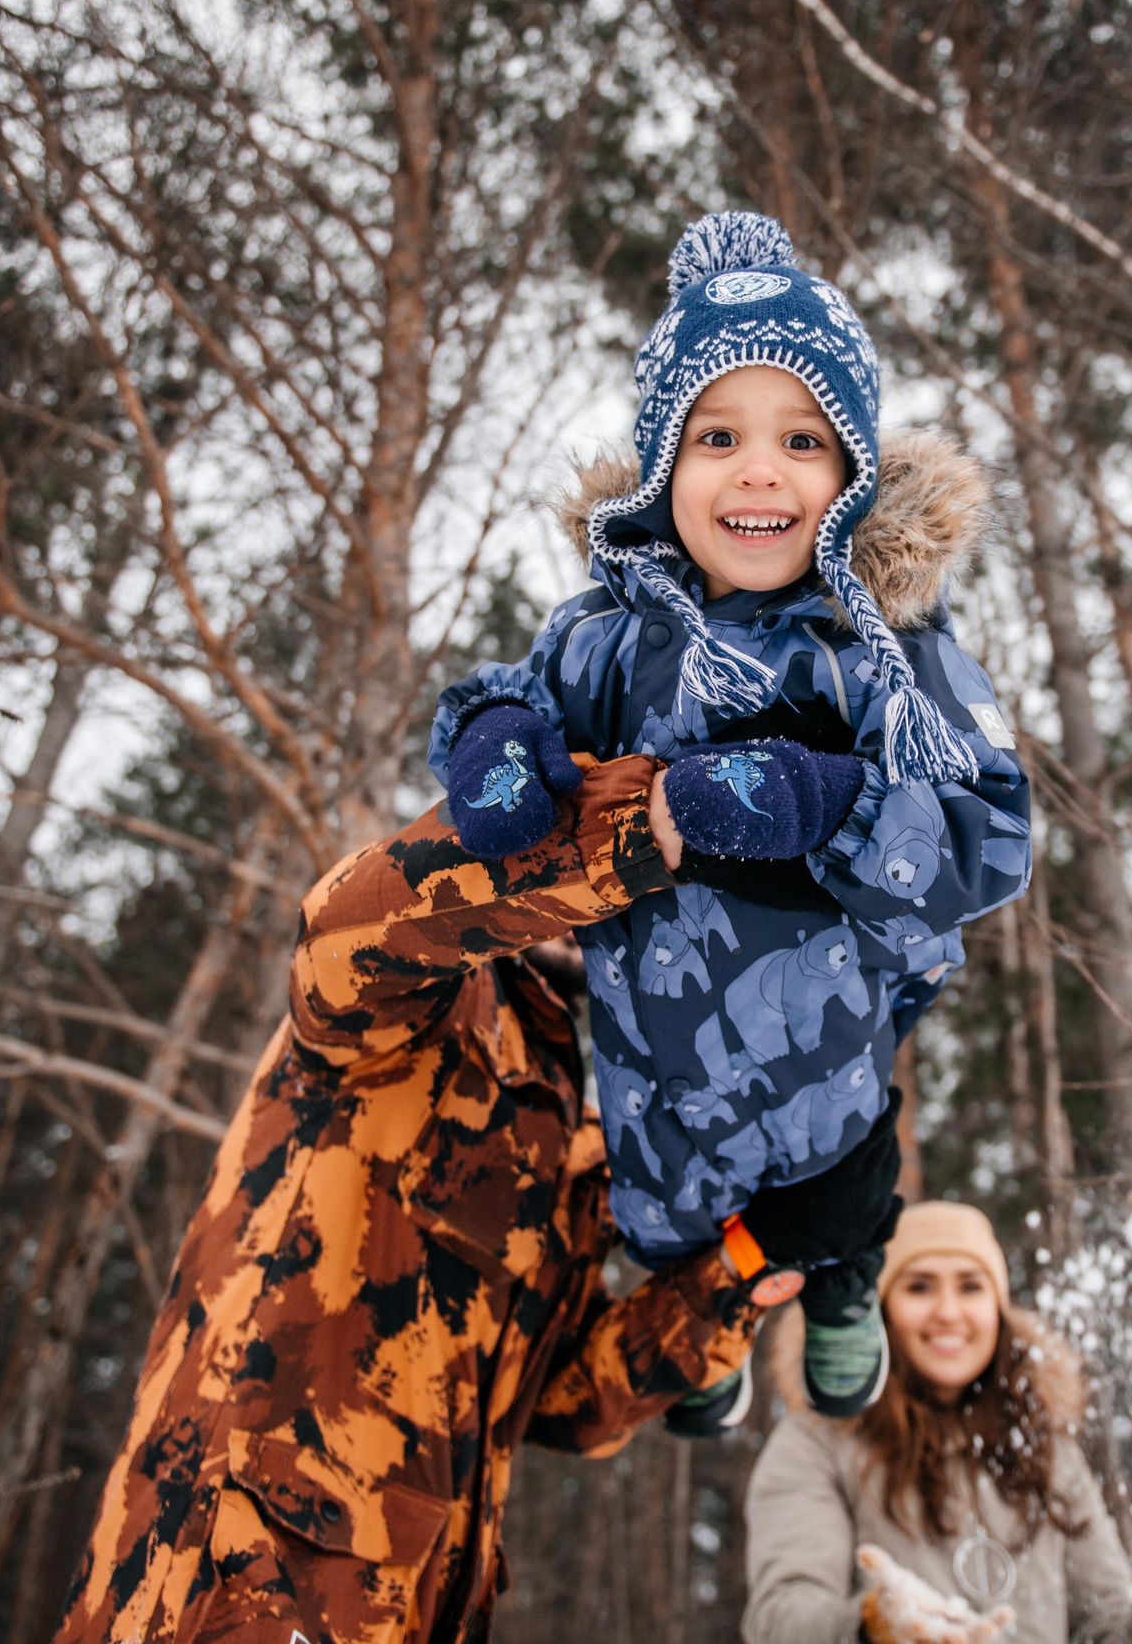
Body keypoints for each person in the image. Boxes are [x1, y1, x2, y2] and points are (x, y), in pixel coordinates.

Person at [52, 755, 899, 1644]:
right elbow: (344, 933)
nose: (605, 915)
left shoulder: (574, 1113)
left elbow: (568, 1398)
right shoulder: (423, 1005)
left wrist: (752, 1258)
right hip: (242, 1585)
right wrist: (625, 824)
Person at [428, 212, 1034, 1432]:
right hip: (651, 1067)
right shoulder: (607, 637)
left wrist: (817, 800)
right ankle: (703, 1334)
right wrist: (495, 749)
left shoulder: (889, 654)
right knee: (669, 1223)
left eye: (801, 440)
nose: (759, 471)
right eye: (718, 436)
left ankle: (845, 1288)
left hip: (827, 1057)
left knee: (837, 1204)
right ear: (663, 467)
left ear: (851, 472)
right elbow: (510, 698)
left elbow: (992, 838)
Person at [744, 1202, 1132, 1644]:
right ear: (879, 1312)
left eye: (970, 1285)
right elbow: (782, 1621)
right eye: (918, 1287)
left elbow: (1101, 1620)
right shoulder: (816, 1444)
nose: (948, 1312)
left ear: (1000, 1309)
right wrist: (869, 1626)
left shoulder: (1045, 1447)